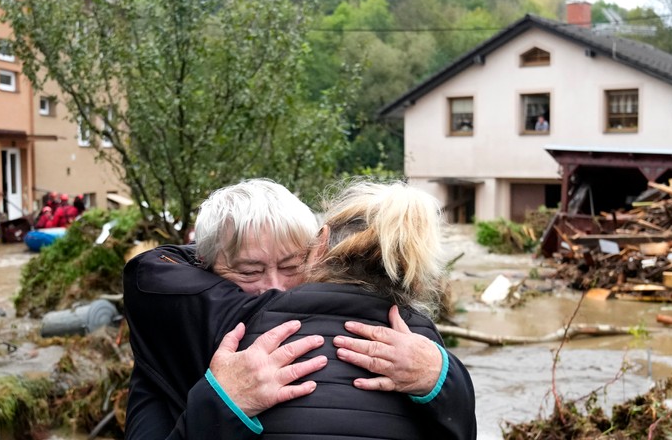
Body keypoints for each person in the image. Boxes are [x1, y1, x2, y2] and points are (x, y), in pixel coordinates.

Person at [123, 179, 475, 439]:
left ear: (318, 252)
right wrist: (223, 403)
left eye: (292, 267)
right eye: (249, 271)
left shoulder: (408, 339)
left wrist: (439, 375)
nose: (274, 286)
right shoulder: (173, 331)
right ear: (203, 267)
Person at [234, 180, 475, 438]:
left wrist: (222, 399)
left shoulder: (248, 323)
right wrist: (444, 377)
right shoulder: (422, 348)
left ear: (320, 243)